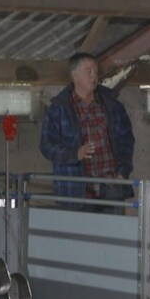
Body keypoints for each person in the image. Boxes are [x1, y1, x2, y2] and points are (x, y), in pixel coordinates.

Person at [38, 52, 135, 213]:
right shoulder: (58, 109)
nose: (94, 76)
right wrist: (75, 154)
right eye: (88, 71)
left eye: (96, 72)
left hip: (111, 186)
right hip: (76, 190)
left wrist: (122, 172)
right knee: (80, 236)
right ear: (74, 75)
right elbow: (46, 146)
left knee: (114, 235)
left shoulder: (112, 105)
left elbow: (126, 139)